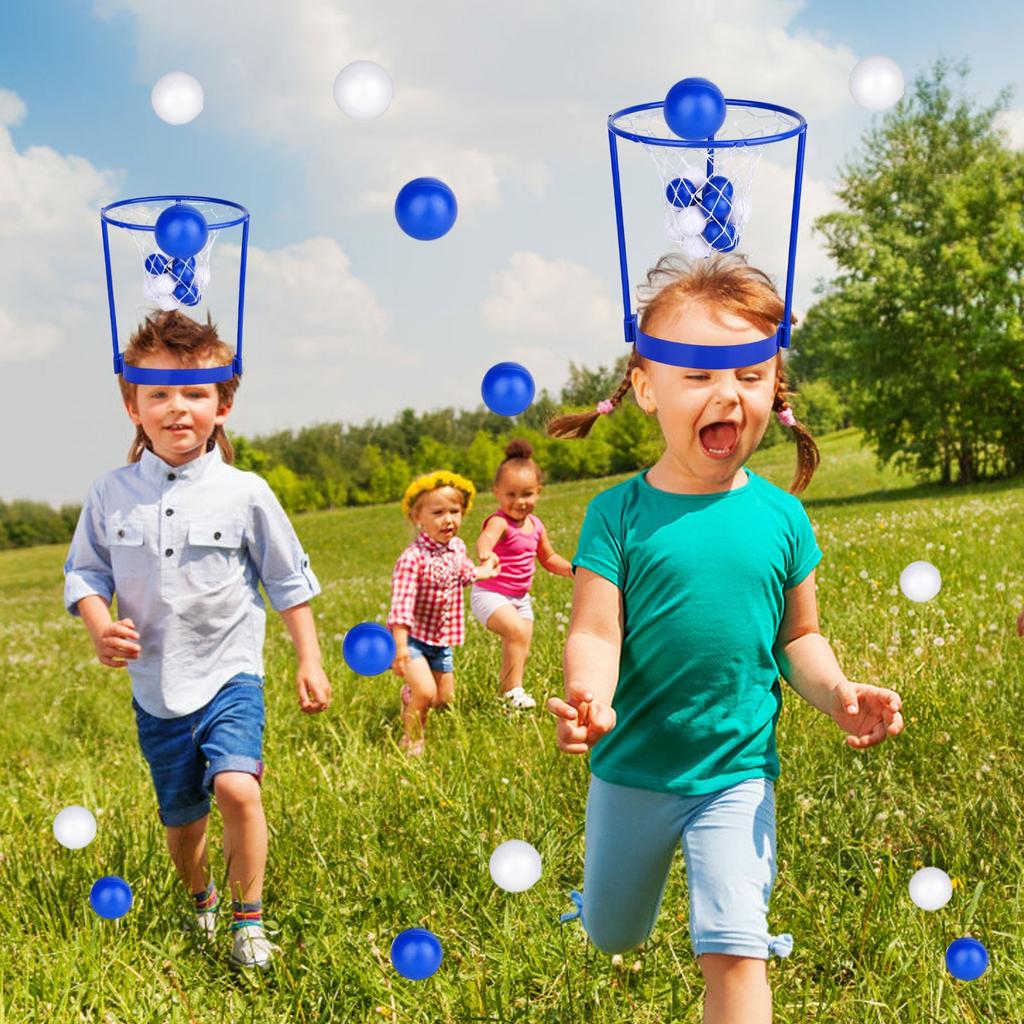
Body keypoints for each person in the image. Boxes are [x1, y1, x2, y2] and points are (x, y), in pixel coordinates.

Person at [546, 255, 905, 1024]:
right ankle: (601, 906)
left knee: (734, 949)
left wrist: (838, 692)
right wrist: (590, 698)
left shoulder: (783, 519)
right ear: (646, 389)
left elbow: (798, 638)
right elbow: (595, 631)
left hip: (736, 773)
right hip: (632, 768)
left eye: (748, 375)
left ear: (774, 388)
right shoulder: (618, 516)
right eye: (700, 375)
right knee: (614, 929)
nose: (727, 396)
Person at [63, 310, 332, 969]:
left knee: (240, 788)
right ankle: (203, 897)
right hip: (156, 687)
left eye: (194, 392)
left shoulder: (247, 493)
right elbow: (84, 572)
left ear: (224, 403)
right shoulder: (110, 494)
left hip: (230, 673)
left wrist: (310, 658)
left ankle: (249, 922)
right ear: (132, 404)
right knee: (183, 827)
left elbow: (287, 580)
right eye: (157, 393)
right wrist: (101, 626)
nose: (176, 408)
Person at [387, 470, 500, 755]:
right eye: (438, 512)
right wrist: (399, 646)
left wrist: (484, 571)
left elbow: (461, 575)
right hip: (412, 639)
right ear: (417, 517)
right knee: (426, 694)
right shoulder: (412, 559)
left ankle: (409, 696)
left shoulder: (457, 547)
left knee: (443, 699)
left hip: (441, 639)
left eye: (455, 511)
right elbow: (401, 606)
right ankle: (412, 740)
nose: (448, 519)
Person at [472, 439, 573, 709]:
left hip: (520, 599)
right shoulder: (499, 521)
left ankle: (505, 696)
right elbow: (485, 539)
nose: (519, 502)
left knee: (520, 647)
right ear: (497, 492)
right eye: (511, 494)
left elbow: (549, 558)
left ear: (538, 491)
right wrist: (486, 554)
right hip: (490, 594)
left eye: (527, 494)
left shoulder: (536, 526)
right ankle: (514, 693)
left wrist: (574, 570)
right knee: (516, 632)